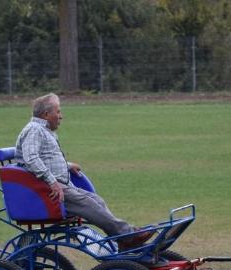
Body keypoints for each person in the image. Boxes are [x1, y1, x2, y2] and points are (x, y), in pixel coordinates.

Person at [14, 93, 153, 250]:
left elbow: (44, 158)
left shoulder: (43, 130)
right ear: (46, 114)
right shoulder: (34, 130)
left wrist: (66, 165)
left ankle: (121, 239)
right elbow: (31, 159)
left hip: (58, 185)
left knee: (97, 201)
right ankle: (127, 234)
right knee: (88, 204)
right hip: (48, 190)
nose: (61, 116)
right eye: (58, 112)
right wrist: (52, 182)